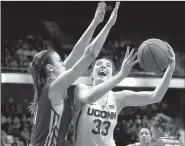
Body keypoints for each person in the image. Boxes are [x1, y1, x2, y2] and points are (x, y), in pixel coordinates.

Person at [28, 2, 117, 146]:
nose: (64, 62)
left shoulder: (53, 85)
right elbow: (90, 55)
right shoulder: (54, 88)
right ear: (50, 68)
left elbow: (77, 53)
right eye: (59, 60)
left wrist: (95, 23)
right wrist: (108, 26)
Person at [72, 35, 176, 145]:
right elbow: (90, 97)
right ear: (91, 75)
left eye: (108, 65)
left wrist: (170, 69)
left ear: (112, 76)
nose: (103, 66)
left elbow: (155, 96)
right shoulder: (81, 89)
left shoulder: (118, 98)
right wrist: (121, 75)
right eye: (99, 64)